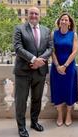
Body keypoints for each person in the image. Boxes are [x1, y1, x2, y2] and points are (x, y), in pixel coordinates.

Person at [13, 7, 53, 137]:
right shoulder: (19, 29)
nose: (34, 16)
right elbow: (18, 48)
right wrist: (34, 59)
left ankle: (34, 122)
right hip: (23, 72)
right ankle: (21, 128)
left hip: (40, 72)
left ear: (39, 15)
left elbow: (50, 48)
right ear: (27, 15)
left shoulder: (46, 30)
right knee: (21, 101)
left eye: (36, 13)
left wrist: (41, 60)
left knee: (37, 99)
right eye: (31, 13)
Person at [50, 13, 78, 127]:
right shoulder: (53, 34)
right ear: (59, 22)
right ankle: (60, 114)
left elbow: (75, 51)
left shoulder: (73, 34)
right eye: (62, 19)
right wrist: (57, 66)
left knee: (69, 90)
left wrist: (65, 65)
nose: (64, 21)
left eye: (66, 20)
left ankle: (69, 114)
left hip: (69, 67)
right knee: (58, 90)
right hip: (56, 67)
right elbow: (52, 51)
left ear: (70, 23)